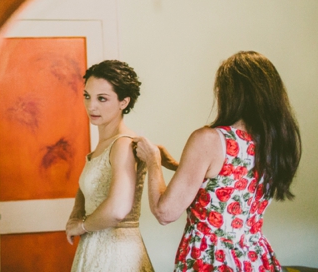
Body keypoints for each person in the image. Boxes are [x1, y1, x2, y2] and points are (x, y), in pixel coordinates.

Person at [134, 51, 302, 272]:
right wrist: (179, 166)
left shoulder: (209, 139)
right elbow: (232, 181)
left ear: (231, 93)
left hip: (213, 260)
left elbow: (165, 213)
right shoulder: (275, 142)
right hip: (255, 257)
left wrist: (153, 160)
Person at [65, 59, 160, 272]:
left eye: (102, 99)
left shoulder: (123, 144)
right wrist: (76, 212)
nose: (91, 106)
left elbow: (118, 208)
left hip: (118, 253)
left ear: (123, 102)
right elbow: (87, 188)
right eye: (87, 96)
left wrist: (81, 226)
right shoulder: (104, 143)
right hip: (94, 247)